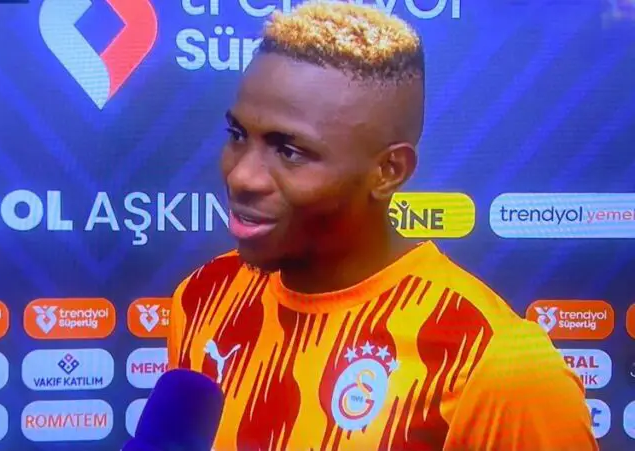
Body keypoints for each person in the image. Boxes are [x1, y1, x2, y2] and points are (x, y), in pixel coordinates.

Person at [167, 1, 597, 450]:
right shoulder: (203, 298)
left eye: (290, 152)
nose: (241, 176)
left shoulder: (500, 368)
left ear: (389, 171)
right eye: (237, 136)